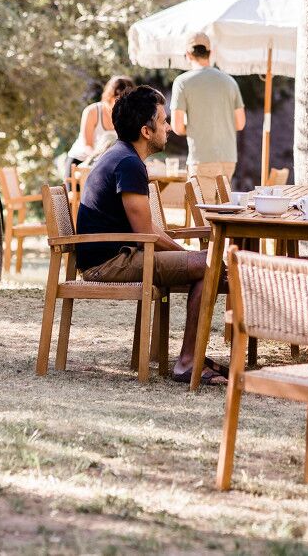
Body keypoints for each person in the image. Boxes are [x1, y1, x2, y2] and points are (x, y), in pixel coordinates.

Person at [76, 85, 221, 384]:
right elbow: (146, 235)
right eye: (164, 121)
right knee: (210, 266)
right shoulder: (128, 163)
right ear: (146, 130)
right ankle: (187, 362)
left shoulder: (122, 156)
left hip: (120, 254)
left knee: (207, 263)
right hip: (109, 262)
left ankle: (191, 356)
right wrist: (190, 256)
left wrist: (188, 255)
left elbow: (148, 230)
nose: (169, 128)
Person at [169, 33, 245, 185]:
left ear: (188, 55)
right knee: (224, 208)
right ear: (210, 53)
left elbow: (177, 127)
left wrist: (193, 128)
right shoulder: (230, 82)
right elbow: (240, 123)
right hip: (228, 159)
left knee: (203, 209)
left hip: (201, 158)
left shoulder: (182, 82)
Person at [68, 75, 134, 166]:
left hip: (106, 164)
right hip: (80, 160)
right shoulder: (92, 112)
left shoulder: (127, 116)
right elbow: (88, 145)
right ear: (109, 96)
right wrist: (101, 160)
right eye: (118, 100)